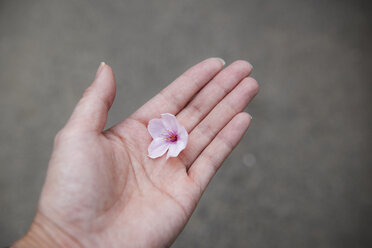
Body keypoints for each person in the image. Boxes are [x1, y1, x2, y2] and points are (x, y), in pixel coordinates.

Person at [12, 58, 258, 248]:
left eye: (172, 136)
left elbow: (173, 136)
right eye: (170, 136)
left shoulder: (176, 136)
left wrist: (57, 238)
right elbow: (163, 136)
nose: (171, 137)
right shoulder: (167, 137)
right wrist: (61, 237)